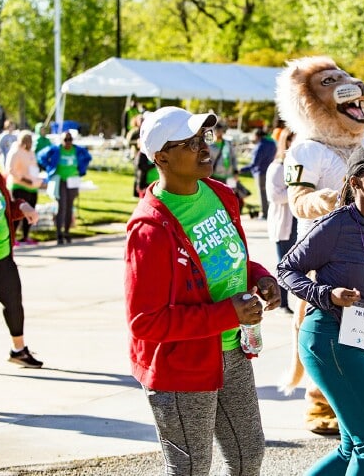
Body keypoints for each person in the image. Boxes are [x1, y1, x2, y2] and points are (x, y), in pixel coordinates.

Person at [125, 106, 280, 476]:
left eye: (203, 138)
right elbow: (144, 322)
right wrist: (229, 313)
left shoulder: (220, 194)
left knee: (248, 456)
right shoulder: (149, 228)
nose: (203, 148)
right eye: (190, 143)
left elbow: (228, 259)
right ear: (161, 157)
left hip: (232, 350)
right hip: (181, 364)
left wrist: (258, 277)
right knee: (191, 469)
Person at [278, 145, 364, 476]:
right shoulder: (336, 225)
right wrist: (325, 293)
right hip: (327, 337)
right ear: (355, 183)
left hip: (363, 337)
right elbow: (286, 269)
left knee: (354, 445)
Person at [0, 142, 43, 375]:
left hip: (4, 256)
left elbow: (6, 209)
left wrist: (23, 206)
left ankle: (19, 351)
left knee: (14, 303)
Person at [37, 131, 92, 244]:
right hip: (60, 180)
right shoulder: (56, 149)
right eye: (65, 140)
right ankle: (59, 233)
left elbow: (87, 157)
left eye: (70, 139)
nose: (68, 142)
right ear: (61, 140)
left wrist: (81, 169)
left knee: (69, 207)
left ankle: (67, 231)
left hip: (72, 180)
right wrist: (49, 168)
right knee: (61, 206)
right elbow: (41, 156)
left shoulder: (77, 150)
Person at [267, 128, 297, 314]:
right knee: (284, 262)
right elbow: (275, 196)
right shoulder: (277, 167)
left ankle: (287, 300)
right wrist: (296, 191)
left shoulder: (297, 167)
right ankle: (282, 301)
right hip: (283, 221)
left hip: (296, 220)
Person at [5, 131, 43, 245]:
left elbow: (34, 167)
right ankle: (13, 237)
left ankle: (25, 236)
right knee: (17, 213)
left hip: (32, 187)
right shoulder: (15, 151)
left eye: (31, 140)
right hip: (19, 186)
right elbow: (10, 169)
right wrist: (23, 179)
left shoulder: (31, 152)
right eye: (27, 140)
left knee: (30, 212)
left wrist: (37, 179)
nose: (29, 143)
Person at [240, 128, 276, 219]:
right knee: (269, 193)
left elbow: (254, 164)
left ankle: (265, 214)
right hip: (270, 171)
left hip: (260, 173)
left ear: (256, 136)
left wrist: (241, 170)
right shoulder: (272, 143)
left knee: (262, 194)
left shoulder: (260, 146)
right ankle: (270, 213)